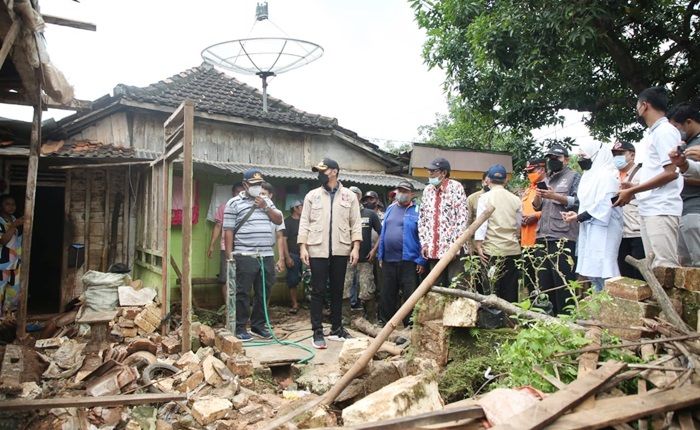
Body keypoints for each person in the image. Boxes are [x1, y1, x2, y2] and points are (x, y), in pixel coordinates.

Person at [298, 158, 362, 349]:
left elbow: (355, 223)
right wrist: (303, 246)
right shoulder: (312, 195)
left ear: (333, 171)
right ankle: (317, 331)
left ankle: (336, 328)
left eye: (323, 170)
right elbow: (304, 222)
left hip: (341, 249)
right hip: (317, 248)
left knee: (337, 290)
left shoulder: (349, 196)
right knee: (317, 290)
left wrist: (356, 247)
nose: (320, 173)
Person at [615, 87, 683, 268]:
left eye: (637, 105)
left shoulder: (665, 131)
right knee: (654, 267)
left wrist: (633, 190)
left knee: (665, 267)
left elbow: (671, 173)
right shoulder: (653, 134)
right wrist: (635, 186)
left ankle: (669, 298)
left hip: (661, 208)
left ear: (644, 105)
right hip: (649, 208)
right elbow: (659, 173)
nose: (637, 110)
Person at [223, 169, 283, 341]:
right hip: (244, 254)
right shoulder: (233, 203)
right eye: (254, 184)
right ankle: (240, 327)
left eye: (259, 184)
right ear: (245, 185)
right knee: (242, 292)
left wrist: (266, 207)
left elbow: (278, 220)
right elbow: (228, 231)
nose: (257, 187)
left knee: (264, 291)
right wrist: (229, 256)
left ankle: (258, 326)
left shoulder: (266, 201)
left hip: (266, 254)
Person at [562, 142, 623, 291]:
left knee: (605, 267)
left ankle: (611, 302)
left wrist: (579, 217)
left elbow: (604, 206)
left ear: (596, 155)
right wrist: (576, 215)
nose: (581, 159)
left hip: (605, 228)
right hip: (588, 226)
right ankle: (598, 301)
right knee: (592, 269)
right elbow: (586, 205)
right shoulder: (588, 176)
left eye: (583, 156)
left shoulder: (608, 176)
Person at [532, 144, 580, 315]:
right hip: (542, 236)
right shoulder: (545, 179)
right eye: (550, 158)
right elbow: (537, 207)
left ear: (566, 159)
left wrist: (555, 196)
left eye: (557, 158)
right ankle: (548, 321)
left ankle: (567, 320)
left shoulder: (574, 176)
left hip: (563, 236)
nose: (553, 161)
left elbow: (578, 202)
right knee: (544, 284)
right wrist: (539, 195)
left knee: (563, 283)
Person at [378, 181, 426, 326]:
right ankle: (384, 322)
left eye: (405, 191)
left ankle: (409, 324)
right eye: (399, 190)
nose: (401, 193)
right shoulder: (390, 209)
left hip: (409, 260)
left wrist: (421, 260)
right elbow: (383, 232)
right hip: (388, 259)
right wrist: (380, 255)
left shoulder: (418, 210)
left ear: (412, 194)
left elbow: (424, 236)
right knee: (387, 292)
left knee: (409, 293)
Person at [474, 164, 522, 302]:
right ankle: (510, 318)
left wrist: (478, 246)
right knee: (510, 288)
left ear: (488, 180)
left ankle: (492, 320)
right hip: (512, 250)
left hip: (492, 250)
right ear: (506, 180)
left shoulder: (485, 198)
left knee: (491, 287)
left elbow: (481, 224)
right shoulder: (516, 199)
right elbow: (519, 225)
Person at [418, 157, 469, 287]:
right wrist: (424, 243)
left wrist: (454, 247)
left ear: (443, 173)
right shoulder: (427, 190)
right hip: (434, 247)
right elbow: (422, 219)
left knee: (456, 284)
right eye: (429, 171)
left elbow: (462, 219)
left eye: (433, 171)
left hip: (454, 249)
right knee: (436, 286)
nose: (430, 173)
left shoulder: (456, 187)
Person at [667, 100, 700, 267]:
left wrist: (677, 177)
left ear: (689, 122)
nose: (676, 132)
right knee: (687, 268)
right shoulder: (686, 145)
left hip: (695, 209)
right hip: (683, 209)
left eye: (677, 127)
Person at [344, 187, 382, 313]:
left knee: (367, 290)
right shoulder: (343, 214)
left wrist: (374, 250)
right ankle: (345, 320)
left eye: (353, 195)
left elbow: (382, 233)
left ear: (359, 197)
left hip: (365, 259)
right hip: (346, 260)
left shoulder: (370, 214)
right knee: (344, 289)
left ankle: (370, 319)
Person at [611, 141, 645, 278]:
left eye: (620, 153)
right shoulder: (612, 176)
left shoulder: (642, 174)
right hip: (619, 233)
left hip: (638, 232)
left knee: (640, 275)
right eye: (614, 154)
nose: (616, 157)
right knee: (624, 276)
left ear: (632, 155)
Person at [208, 182, 245, 302]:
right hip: (226, 247)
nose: (240, 194)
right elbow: (218, 226)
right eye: (237, 192)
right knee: (225, 278)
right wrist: (212, 245)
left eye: (242, 192)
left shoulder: (248, 208)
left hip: (243, 247)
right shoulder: (224, 207)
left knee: (242, 277)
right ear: (233, 193)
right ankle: (228, 307)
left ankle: (238, 306)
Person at [520, 159, 546, 291]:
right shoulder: (528, 190)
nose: (529, 174)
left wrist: (535, 216)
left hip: (540, 242)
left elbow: (554, 210)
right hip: (526, 242)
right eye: (528, 172)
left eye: (532, 171)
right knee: (529, 281)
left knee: (541, 281)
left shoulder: (546, 187)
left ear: (542, 169)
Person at [0, 195, 22, 316]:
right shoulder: (1, 221)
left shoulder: (13, 218)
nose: (11, 206)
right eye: (7, 204)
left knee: (13, 292)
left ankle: (9, 319)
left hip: (14, 262)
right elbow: (2, 241)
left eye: (13, 204)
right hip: (2, 263)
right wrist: (13, 226)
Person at [260, 182, 287, 274]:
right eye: (259, 194)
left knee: (266, 283)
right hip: (250, 253)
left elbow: (280, 237)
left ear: (270, 195)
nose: (261, 196)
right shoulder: (251, 212)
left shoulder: (277, 214)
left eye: (263, 194)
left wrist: (281, 258)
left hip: (268, 253)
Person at [283, 200, 304, 313]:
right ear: (295, 208)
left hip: (305, 255)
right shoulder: (288, 222)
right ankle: (294, 304)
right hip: (293, 254)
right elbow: (284, 240)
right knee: (293, 280)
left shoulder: (304, 221)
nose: (303, 208)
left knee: (307, 279)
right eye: (301, 206)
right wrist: (287, 257)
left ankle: (306, 301)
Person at [466, 172, 489, 254]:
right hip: (476, 245)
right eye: (486, 181)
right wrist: (469, 246)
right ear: (482, 182)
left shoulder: (499, 198)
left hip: (494, 244)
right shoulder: (472, 198)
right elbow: (468, 223)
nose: (488, 184)